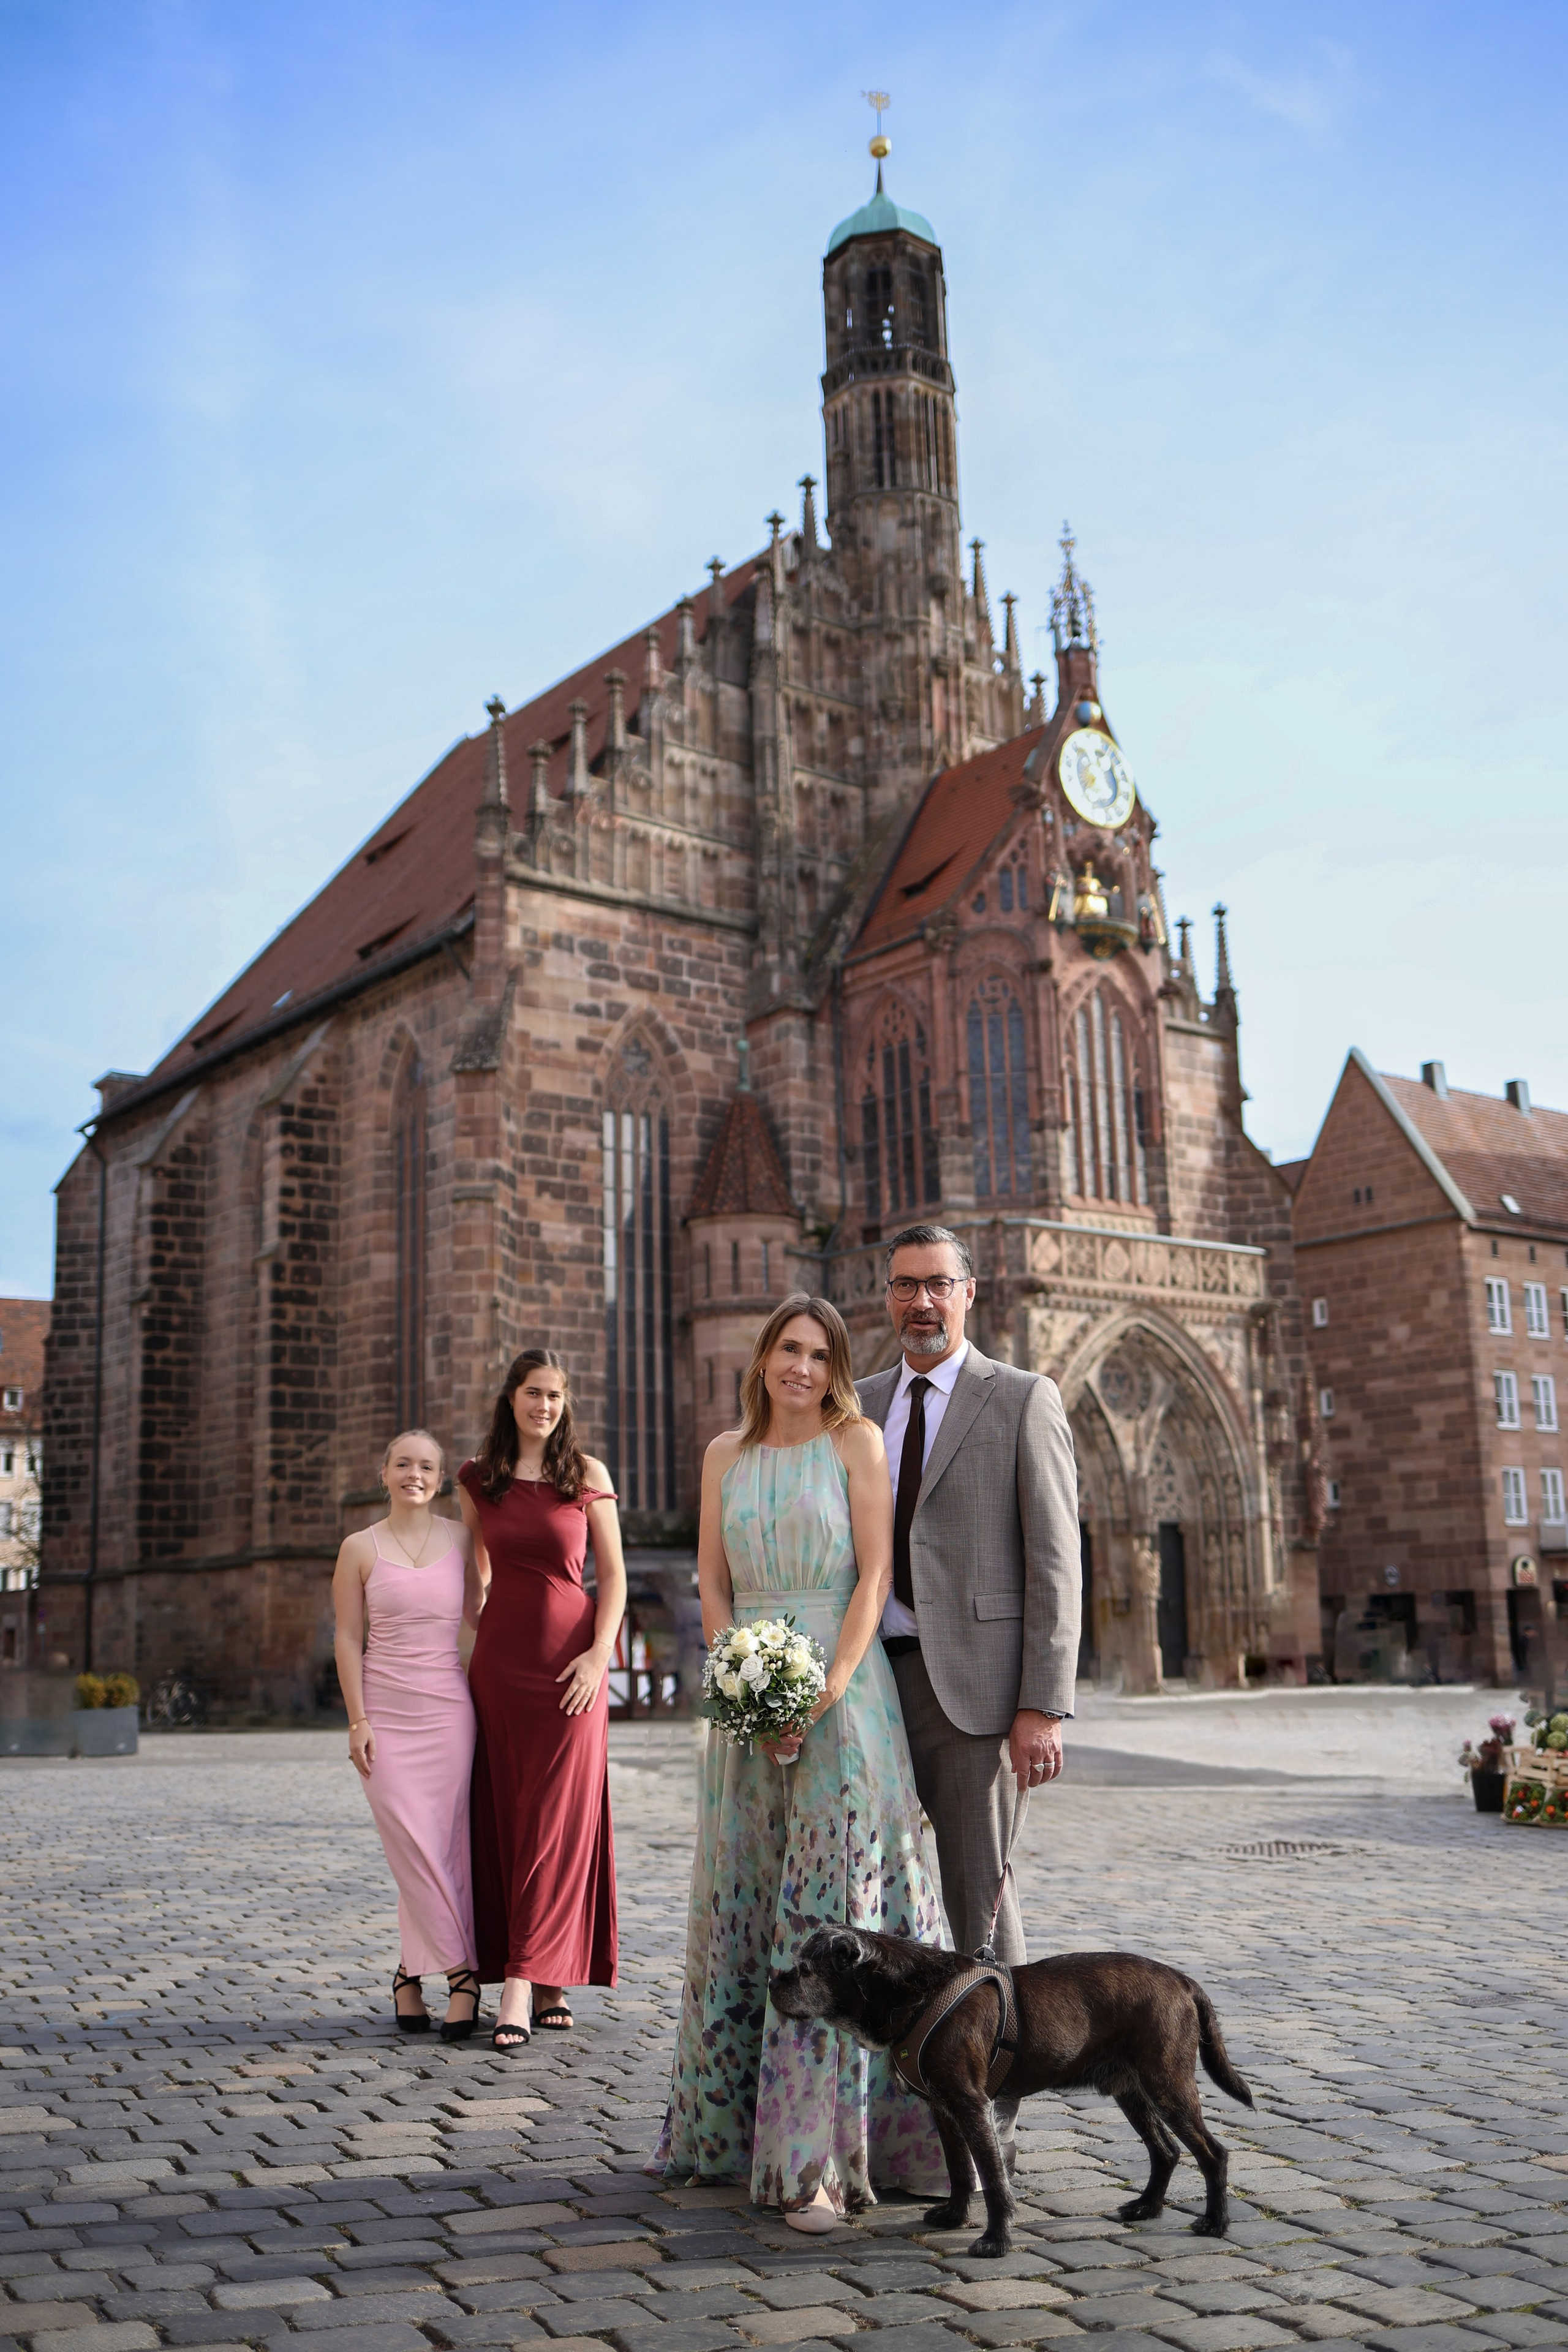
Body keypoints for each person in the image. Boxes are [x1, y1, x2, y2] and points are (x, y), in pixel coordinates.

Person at [650, 1293, 946, 2230]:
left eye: (820, 1355)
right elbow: (712, 1581)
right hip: (747, 1707)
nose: (802, 1368)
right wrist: (746, 1689)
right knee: (748, 1910)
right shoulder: (723, 1455)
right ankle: (739, 2137)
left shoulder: (856, 1442)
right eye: (789, 1349)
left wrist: (823, 1691)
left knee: (834, 1918)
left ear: (836, 1369)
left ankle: (820, 2161)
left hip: (845, 1706)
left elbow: (874, 1577)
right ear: (763, 1357)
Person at [857, 1223, 1080, 1973]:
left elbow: (1055, 1561)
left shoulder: (1021, 1398)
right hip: (867, 1683)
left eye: (937, 1284)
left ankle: (997, 2040)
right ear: (888, 1296)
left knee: (976, 1894)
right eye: (905, 1285)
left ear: (968, 1294)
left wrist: (1042, 1705)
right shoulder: (856, 1406)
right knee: (866, 1881)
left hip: (976, 1696)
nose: (921, 1302)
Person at [457, 1349, 625, 2052]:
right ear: (511, 1397)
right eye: (533, 1392)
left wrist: (598, 1656)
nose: (544, 1406)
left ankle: (521, 1982)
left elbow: (613, 1577)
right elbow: (471, 1575)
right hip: (502, 1671)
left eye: (555, 1395)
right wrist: (471, 1636)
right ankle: (547, 1979)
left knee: (558, 1824)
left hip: (573, 1674)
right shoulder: (479, 1478)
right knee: (511, 1818)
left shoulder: (587, 1475)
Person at [333, 1428, 484, 2040]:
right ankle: (463, 1974)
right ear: (384, 1472)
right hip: (385, 1715)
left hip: (449, 1713)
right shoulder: (358, 1548)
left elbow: (481, 1619)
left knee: (442, 1848)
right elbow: (349, 1637)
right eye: (402, 1464)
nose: (413, 1475)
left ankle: (407, 1975)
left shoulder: (463, 1538)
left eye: (425, 1466)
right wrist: (358, 1720)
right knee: (410, 1844)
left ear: (440, 1478)